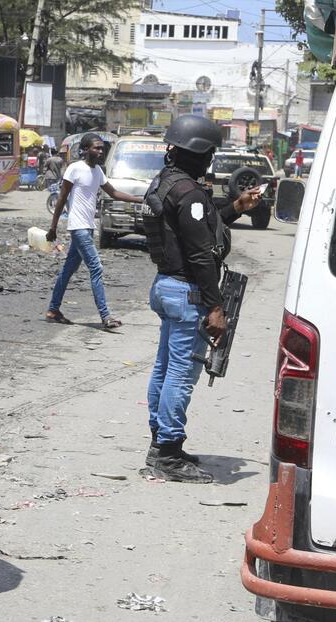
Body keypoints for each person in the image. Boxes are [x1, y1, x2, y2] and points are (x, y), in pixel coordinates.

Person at [141, 115, 262, 483]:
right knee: (180, 374)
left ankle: (162, 441)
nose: (211, 159)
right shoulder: (190, 192)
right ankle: (166, 454)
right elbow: (200, 253)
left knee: (164, 368)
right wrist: (214, 306)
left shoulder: (167, 183)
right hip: (186, 292)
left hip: (166, 286)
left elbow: (195, 226)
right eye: (209, 152)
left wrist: (235, 208)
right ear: (202, 152)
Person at [44, 133, 142, 329]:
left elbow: (114, 193)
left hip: (88, 228)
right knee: (96, 268)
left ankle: (53, 310)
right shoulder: (75, 169)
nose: (100, 151)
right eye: (96, 148)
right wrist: (53, 227)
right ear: (85, 149)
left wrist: (142, 199)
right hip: (78, 227)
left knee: (68, 270)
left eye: (101, 148)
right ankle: (105, 317)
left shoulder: (98, 171)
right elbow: (62, 198)